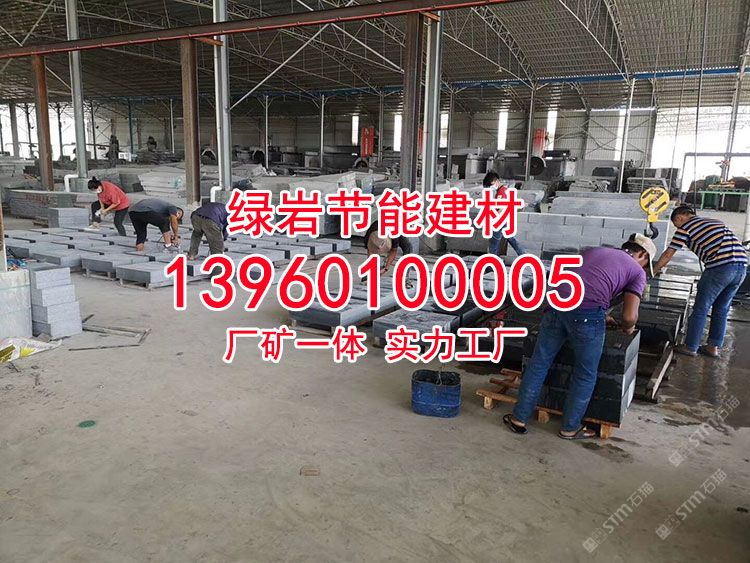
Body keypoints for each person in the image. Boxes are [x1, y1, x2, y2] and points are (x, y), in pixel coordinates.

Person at [504, 234, 655, 440]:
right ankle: (570, 428)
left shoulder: (595, 250)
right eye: (646, 264)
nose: (644, 269)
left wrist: (601, 314)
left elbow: (582, 282)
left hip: (556, 305)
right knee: (585, 373)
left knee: (539, 364)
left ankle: (519, 419)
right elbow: (629, 316)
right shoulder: (637, 272)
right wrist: (628, 328)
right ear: (643, 255)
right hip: (587, 316)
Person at [653, 206, 747, 358]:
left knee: (701, 308)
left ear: (680, 217)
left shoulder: (685, 228)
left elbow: (668, 254)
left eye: (676, 223)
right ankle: (713, 347)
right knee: (722, 308)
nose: (677, 227)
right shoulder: (715, 221)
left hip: (720, 268)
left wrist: (652, 271)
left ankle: (691, 346)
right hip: (742, 267)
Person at [483, 171, 526, 256]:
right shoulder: (504, 190)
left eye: (491, 185)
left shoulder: (501, 192)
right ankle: (523, 255)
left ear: (497, 181)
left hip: (500, 221)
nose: (491, 187)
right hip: (505, 219)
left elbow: (501, 208)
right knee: (511, 239)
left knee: (493, 243)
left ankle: (491, 262)